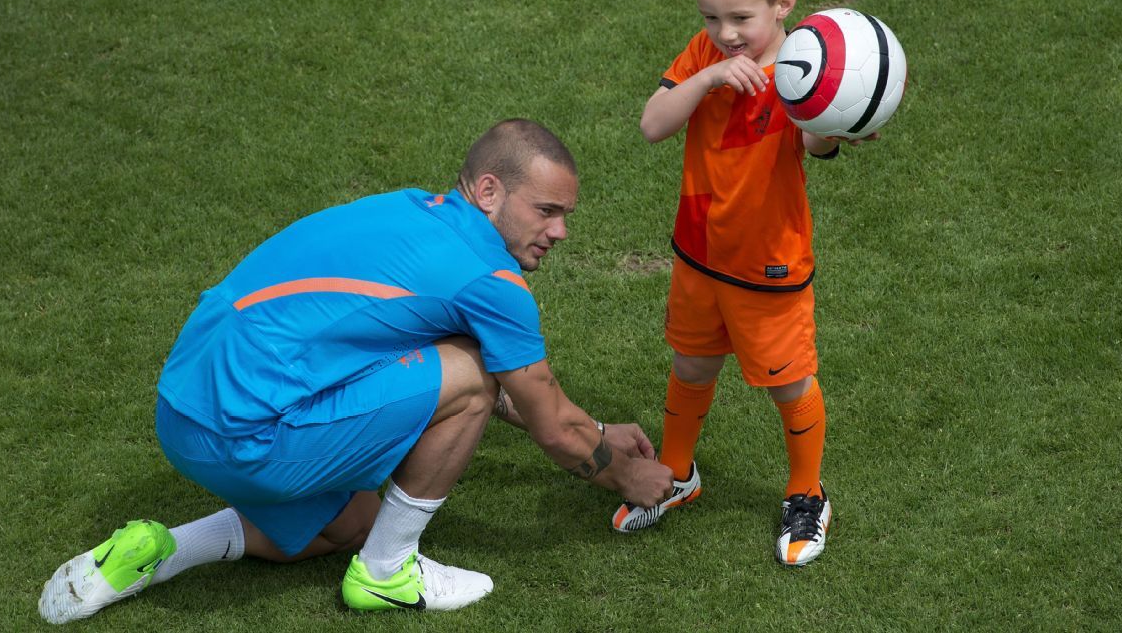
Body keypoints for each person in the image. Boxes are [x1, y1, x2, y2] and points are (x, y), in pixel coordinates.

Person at [38, 119, 674, 623]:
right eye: (546, 211)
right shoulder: (491, 280)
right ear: (488, 192)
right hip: (247, 437)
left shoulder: (407, 209)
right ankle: (388, 573)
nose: (560, 231)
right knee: (477, 374)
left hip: (180, 412)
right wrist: (625, 473)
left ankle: (157, 551)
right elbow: (550, 425)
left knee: (353, 522)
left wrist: (591, 423)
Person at [609, 0, 879, 567]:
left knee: (788, 383)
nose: (725, 32)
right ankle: (677, 472)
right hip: (699, 254)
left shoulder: (805, 72)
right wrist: (707, 78)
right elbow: (652, 124)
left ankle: (807, 491)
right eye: (711, 17)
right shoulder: (704, 55)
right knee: (692, 364)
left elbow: (818, 141)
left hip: (769, 266)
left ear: (783, 4)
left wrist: (835, 119)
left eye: (740, 18)